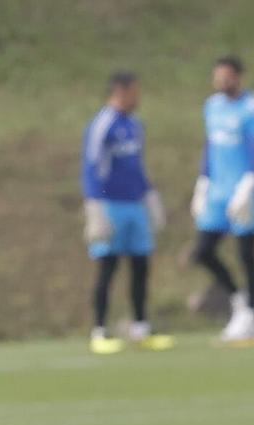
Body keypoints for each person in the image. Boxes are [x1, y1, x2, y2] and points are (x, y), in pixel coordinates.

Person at [80, 72, 167, 353]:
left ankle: (141, 327)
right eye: (134, 92)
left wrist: (149, 194)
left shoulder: (134, 125)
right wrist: (95, 206)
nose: (138, 98)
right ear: (121, 91)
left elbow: (135, 166)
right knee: (108, 266)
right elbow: (92, 167)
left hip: (134, 204)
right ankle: (100, 331)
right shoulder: (103, 124)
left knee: (141, 265)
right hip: (110, 205)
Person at [189, 55, 254, 341]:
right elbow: (209, 146)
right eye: (218, 76)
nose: (222, 81)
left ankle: (251, 312)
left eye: (227, 75)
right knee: (203, 251)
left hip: (243, 191)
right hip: (217, 191)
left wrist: (249, 183)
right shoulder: (212, 106)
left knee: (246, 253)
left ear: (238, 76)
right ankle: (238, 301)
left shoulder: (253, 108)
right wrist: (202, 181)